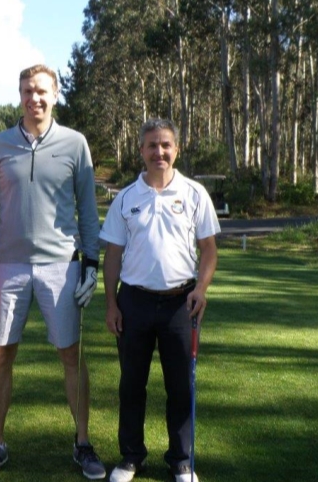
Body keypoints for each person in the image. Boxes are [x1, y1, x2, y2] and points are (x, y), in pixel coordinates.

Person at [0, 64, 105, 480]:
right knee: (1, 354)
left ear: (56, 94)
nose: (35, 98)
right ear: (19, 95)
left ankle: (82, 443)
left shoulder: (75, 143)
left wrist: (91, 264)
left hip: (60, 267)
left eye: (43, 91)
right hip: (7, 266)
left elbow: (87, 208)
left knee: (71, 354)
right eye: (28, 91)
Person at [101, 118, 220, 482]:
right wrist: (111, 304)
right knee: (132, 385)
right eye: (152, 145)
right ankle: (131, 457)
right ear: (141, 150)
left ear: (176, 149)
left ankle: (181, 461)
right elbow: (113, 257)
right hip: (134, 302)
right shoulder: (125, 198)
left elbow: (209, 250)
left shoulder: (195, 193)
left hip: (180, 304)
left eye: (166, 145)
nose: (159, 152)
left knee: (181, 386)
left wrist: (201, 288)